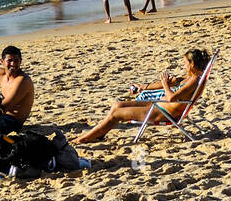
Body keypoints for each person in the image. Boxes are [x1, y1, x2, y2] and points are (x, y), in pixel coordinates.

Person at [74, 49, 210, 143]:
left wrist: (166, 84)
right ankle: (99, 133)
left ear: (192, 64)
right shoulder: (190, 77)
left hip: (161, 112)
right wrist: (142, 87)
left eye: (185, 63)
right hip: (158, 105)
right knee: (117, 105)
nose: (183, 65)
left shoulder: (193, 81)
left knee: (116, 114)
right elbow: (169, 86)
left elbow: (171, 98)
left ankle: (84, 138)